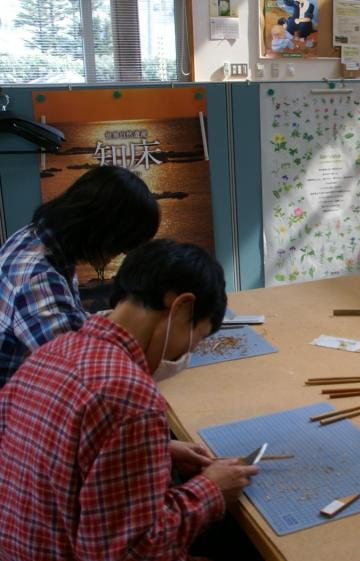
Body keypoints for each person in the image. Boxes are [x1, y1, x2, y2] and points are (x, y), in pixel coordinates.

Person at [0, 239, 259, 560]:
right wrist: (211, 490)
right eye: (199, 336)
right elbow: (130, 553)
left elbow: (57, 451)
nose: (190, 351)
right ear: (181, 307)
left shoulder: (54, 352)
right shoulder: (130, 396)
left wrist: (155, 450)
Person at [0, 166, 160, 386]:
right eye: (121, 245)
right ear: (102, 230)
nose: (119, 254)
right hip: (18, 407)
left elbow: (73, 321)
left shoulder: (41, 237)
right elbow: (79, 372)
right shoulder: (38, 278)